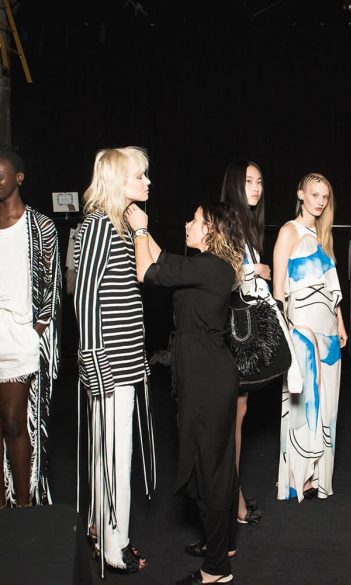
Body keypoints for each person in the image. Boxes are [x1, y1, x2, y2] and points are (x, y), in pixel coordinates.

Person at [126, 200, 244, 585]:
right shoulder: (207, 265)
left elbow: (147, 271)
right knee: (214, 462)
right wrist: (146, 234)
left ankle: (216, 570)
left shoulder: (211, 267)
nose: (187, 224)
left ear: (211, 230)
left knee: (210, 468)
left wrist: (139, 229)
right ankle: (223, 544)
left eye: (194, 220)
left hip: (207, 378)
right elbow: (162, 260)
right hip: (205, 374)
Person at [74, 146, 155, 574]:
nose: (147, 182)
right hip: (109, 364)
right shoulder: (99, 225)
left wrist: (141, 228)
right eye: (139, 176)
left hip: (123, 361)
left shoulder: (119, 225)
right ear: (118, 181)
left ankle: (100, 530)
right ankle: (114, 546)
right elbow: (85, 297)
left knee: (110, 453)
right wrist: (92, 360)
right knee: (115, 456)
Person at [273, 172, 347, 502]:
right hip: (302, 327)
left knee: (327, 402)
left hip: (328, 327)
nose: (320, 201)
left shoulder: (323, 235)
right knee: (303, 400)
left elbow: (331, 288)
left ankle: (317, 476)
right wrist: (287, 329)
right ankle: (297, 478)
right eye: (314, 194)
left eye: (325, 196)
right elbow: (278, 288)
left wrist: (341, 323)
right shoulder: (289, 231)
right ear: (301, 194)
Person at [0, 148, 62, 508]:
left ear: (19, 178)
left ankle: (24, 505)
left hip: (20, 335)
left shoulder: (40, 226)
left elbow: (51, 285)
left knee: (13, 421)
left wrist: (34, 331)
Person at [219, 160, 269, 525]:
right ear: (235, 184)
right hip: (228, 331)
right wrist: (256, 270)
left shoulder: (247, 225)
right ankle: (231, 501)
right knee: (230, 419)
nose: (256, 187)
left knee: (238, 414)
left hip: (244, 330)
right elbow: (220, 272)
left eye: (260, 182)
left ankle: (232, 495)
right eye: (249, 181)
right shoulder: (225, 221)